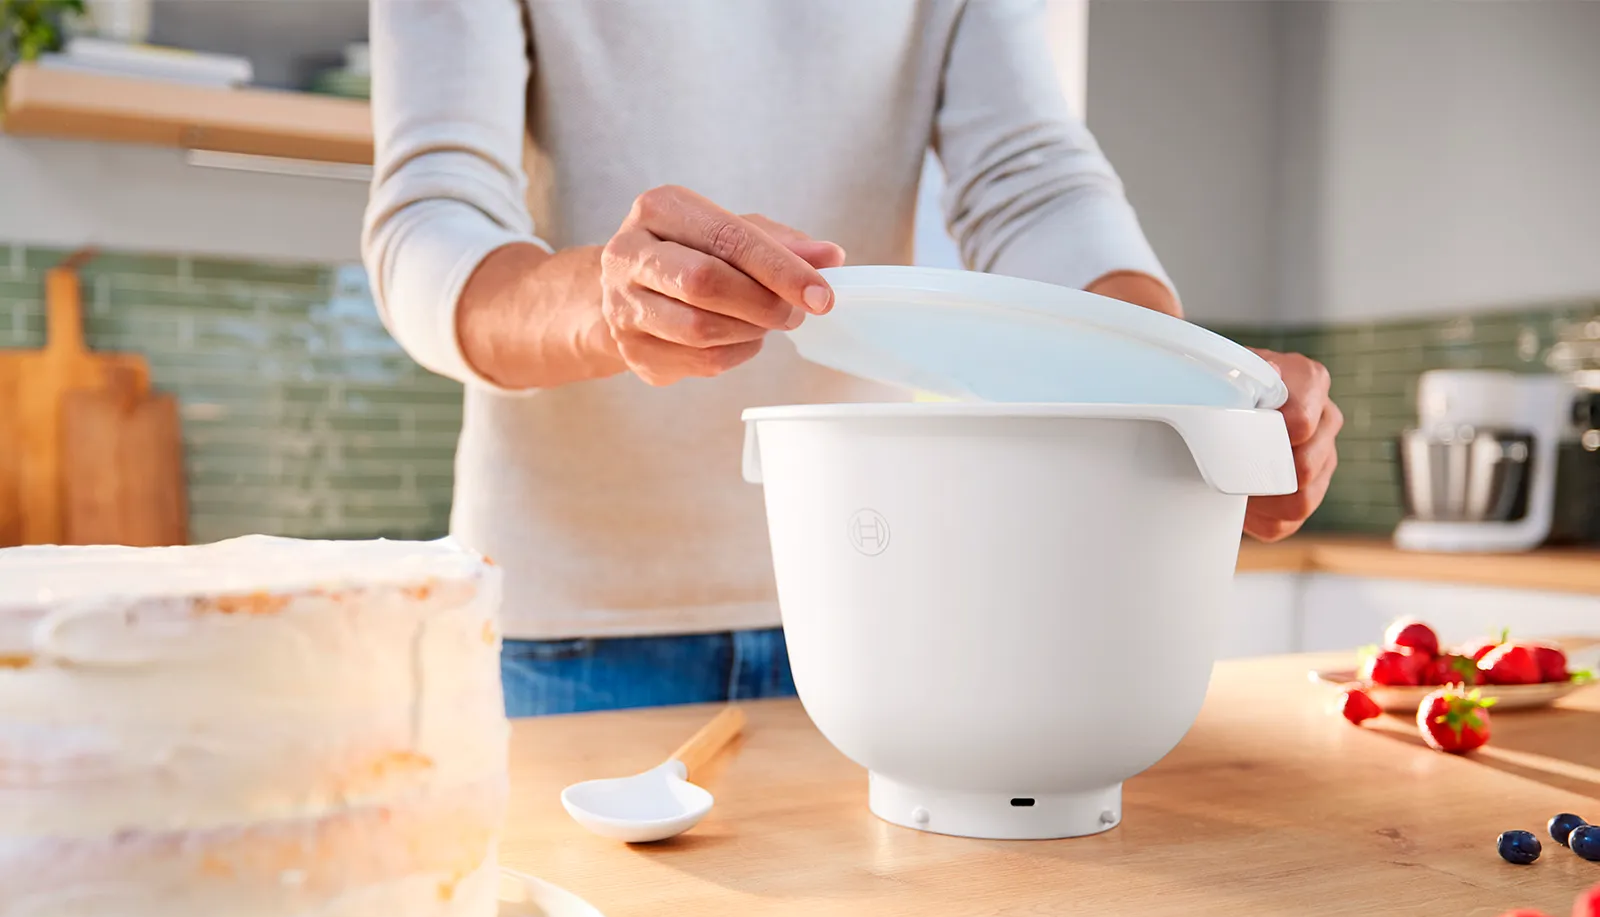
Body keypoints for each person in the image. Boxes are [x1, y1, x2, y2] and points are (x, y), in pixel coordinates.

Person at [362, 0, 1341, 718]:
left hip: (868, 593)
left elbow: (1033, 188)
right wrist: (602, 302)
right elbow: (431, 218)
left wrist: (1176, 383)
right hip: (563, 622)